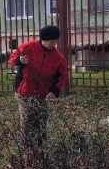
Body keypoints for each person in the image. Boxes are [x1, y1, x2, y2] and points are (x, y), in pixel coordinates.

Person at [8, 25, 68, 153]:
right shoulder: (28, 47)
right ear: (43, 40)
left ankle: (41, 147)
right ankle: (27, 148)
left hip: (43, 93)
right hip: (24, 91)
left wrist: (53, 92)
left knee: (41, 119)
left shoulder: (58, 57)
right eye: (51, 42)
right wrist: (20, 60)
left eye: (55, 42)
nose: (53, 44)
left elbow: (62, 75)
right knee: (28, 119)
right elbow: (12, 58)